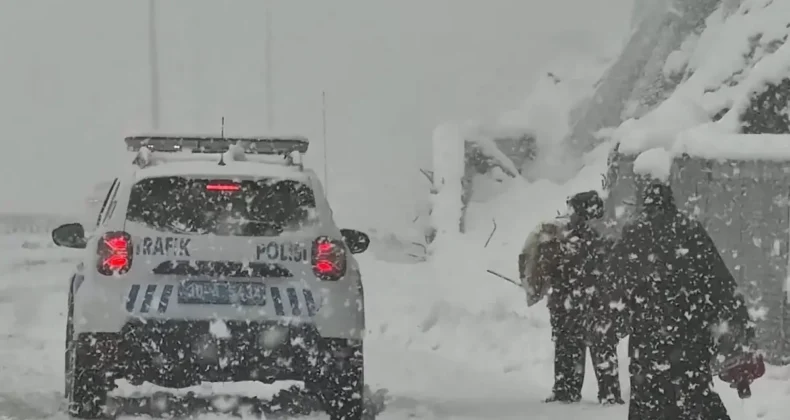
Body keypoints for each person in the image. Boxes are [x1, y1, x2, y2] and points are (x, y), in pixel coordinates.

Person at [604, 181, 765, 419]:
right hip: (690, 337)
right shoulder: (690, 230)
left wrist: (614, 319)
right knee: (695, 396)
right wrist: (737, 321)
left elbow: (615, 286)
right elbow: (720, 283)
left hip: (648, 342)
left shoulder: (635, 234)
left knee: (649, 400)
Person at [534, 190, 624, 405]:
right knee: (599, 348)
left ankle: (569, 390)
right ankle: (607, 394)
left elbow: (550, 270)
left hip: (576, 305)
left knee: (573, 347)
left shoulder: (570, 239)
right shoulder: (603, 236)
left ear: (582, 212)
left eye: (573, 209)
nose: (569, 213)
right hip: (593, 304)